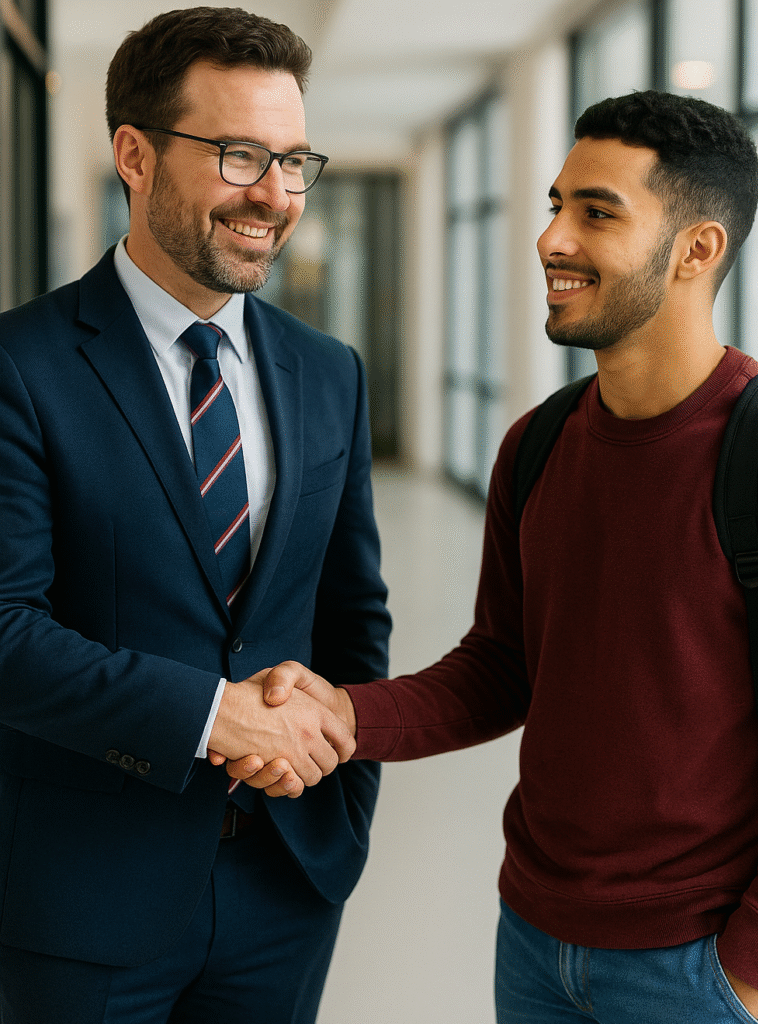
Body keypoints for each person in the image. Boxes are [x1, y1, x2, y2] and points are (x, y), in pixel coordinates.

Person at [228, 92, 758, 1022]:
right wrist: (342, 717)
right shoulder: (538, 445)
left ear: (698, 250)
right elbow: (502, 667)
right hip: (534, 939)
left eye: (597, 212)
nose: (551, 239)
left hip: (698, 966)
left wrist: (751, 964)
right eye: (555, 204)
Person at [0, 7, 390, 1023]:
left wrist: (342, 797)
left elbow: (353, 617)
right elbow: (4, 630)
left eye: (293, 158)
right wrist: (215, 716)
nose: (275, 193)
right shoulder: (21, 367)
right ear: (133, 154)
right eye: (237, 154)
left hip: (284, 884)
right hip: (83, 901)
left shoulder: (327, 372)